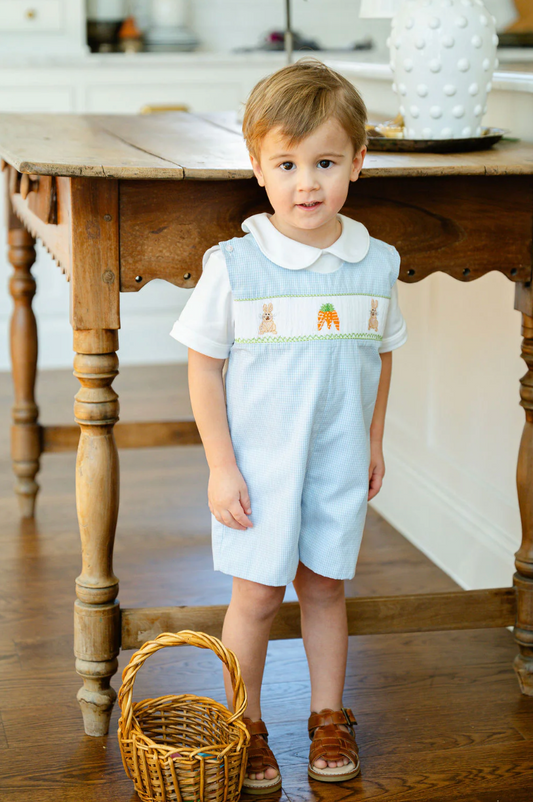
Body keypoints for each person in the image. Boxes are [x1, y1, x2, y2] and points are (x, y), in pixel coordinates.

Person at [170, 57, 408, 793]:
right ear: (258, 168)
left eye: (325, 163)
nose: (307, 183)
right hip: (260, 469)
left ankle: (328, 716)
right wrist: (220, 466)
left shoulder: (377, 264)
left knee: (327, 588)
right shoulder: (236, 267)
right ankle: (242, 723)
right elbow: (203, 368)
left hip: (337, 463)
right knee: (256, 597)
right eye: (287, 164)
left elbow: (381, 356)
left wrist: (374, 440)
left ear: (357, 162)